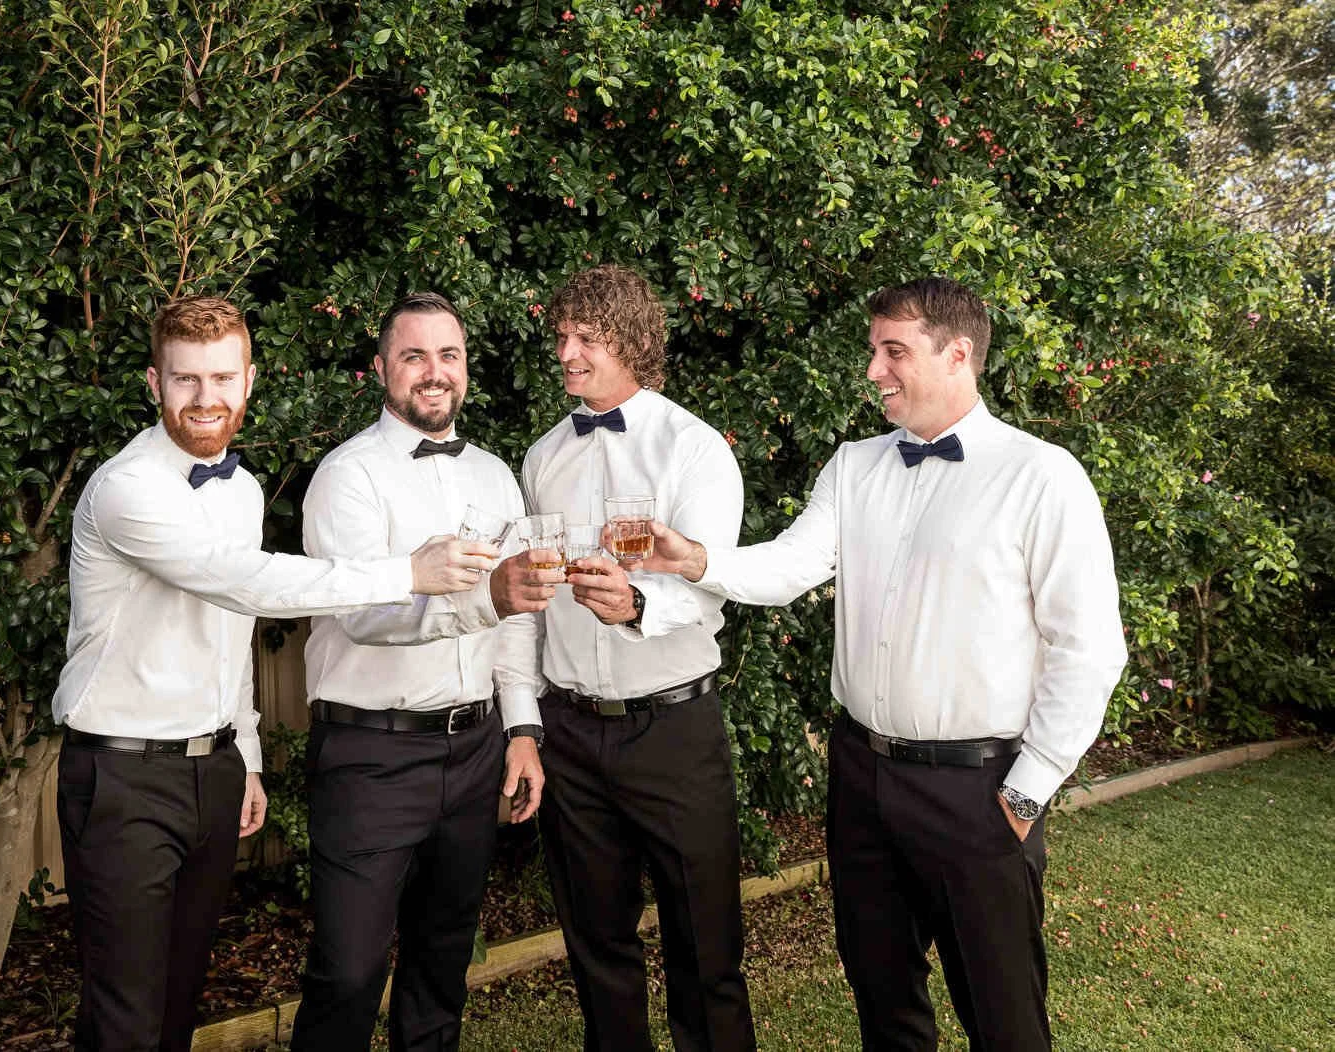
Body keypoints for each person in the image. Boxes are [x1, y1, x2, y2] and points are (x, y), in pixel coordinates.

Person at [643, 277, 1129, 1051]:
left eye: (893, 351)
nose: (874, 371)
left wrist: (1027, 791)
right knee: (883, 1003)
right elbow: (792, 565)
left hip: (978, 792)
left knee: (1003, 1019)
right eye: (874, 351)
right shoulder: (854, 465)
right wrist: (698, 560)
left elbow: (1089, 646)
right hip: (863, 779)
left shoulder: (1042, 476)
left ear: (957, 354)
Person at [52, 295, 494, 1052]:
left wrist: (246, 752)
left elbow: (231, 634)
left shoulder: (243, 488)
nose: (206, 398)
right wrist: (407, 573)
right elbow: (247, 585)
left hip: (212, 767)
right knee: (124, 1017)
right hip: (123, 774)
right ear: (154, 383)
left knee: (179, 1004)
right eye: (186, 379)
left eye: (223, 378)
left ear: (249, 381)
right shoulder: (127, 488)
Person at [499, 264, 757, 1051]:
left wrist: (639, 604)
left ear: (634, 341)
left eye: (587, 337)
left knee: (706, 949)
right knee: (597, 947)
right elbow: (525, 608)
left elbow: (709, 587)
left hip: (673, 731)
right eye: (561, 336)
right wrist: (526, 724)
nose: (566, 353)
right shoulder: (543, 457)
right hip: (572, 734)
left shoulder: (693, 449)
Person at [288, 292, 552, 1052]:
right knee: (347, 972)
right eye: (414, 356)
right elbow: (361, 615)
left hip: (473, 752)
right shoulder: (347, 477)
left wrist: (522, 727)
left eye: (449, 355)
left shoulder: (497, 477)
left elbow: (518, 617)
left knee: (442, 963)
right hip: (370, 753)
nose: (434, 373)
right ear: (381, 369)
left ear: (465, 367)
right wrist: (484, 599)